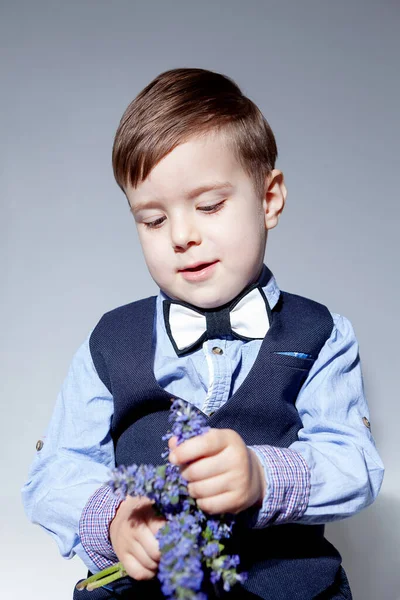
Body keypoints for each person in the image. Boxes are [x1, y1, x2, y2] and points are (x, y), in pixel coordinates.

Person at [22, 67, 384, 600]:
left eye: (209, 205)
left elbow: (354, 462)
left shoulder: (322, 334)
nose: (183, 236)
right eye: (153, 220)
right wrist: (114, 518)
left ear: (269, 199)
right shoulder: (109, 342)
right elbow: (54, 471)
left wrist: (264, 477)